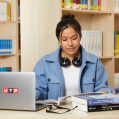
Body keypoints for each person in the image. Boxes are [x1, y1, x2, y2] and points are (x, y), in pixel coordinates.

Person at [33, 14, 115, 101]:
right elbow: (39, 90)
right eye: (64, 40)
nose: (70, 44)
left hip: (86, 113)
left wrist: (103, 93)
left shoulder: (94, 62)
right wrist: (33, 95)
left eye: (74, 38)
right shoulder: (44, 63)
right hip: (56, 113)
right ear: (59, 40)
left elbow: (103, 88)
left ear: (80, 37)